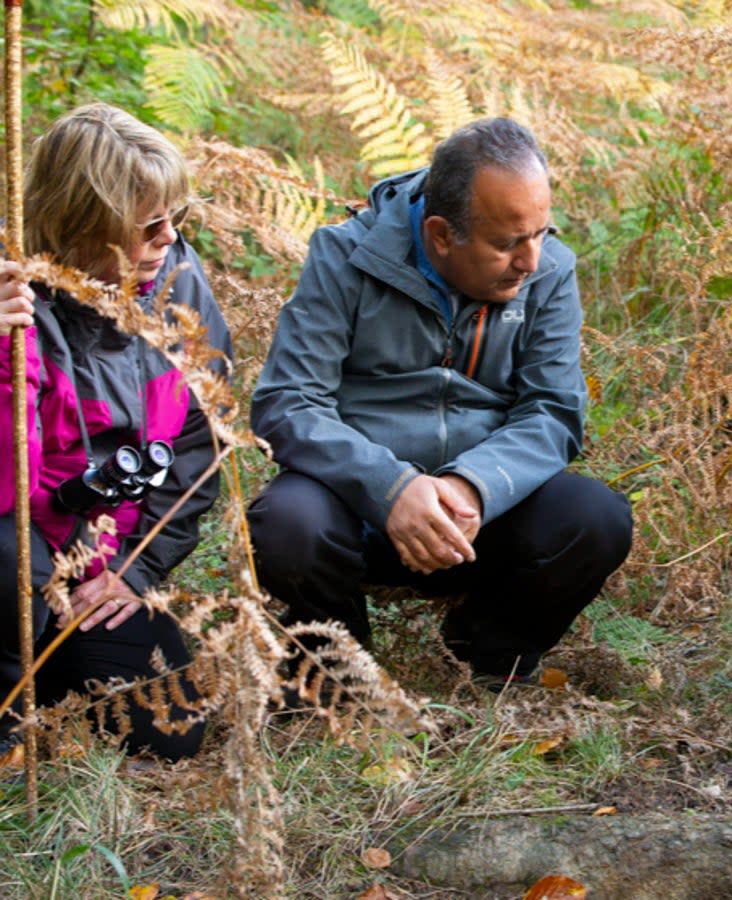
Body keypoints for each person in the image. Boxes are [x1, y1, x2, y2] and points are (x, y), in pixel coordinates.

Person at [248, 117, 632, 688]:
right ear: (440, 235)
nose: (531, 261)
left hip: (479, 519)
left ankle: (485, 653)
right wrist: (390, 488)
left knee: (595, 520)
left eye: (541, 234)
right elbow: (288, 401)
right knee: (286, 525)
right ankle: (337, 667)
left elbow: (552, 412)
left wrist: (470, 486)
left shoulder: (547, 271)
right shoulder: (344, 258)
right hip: (358, 509)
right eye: (507, 243)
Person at [0, 103, 232, 763]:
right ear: (79, 227)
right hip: (16, 558)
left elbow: (197, 446)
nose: (168, 238)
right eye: (148, 225)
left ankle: (44, 670)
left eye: (175, 219)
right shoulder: (9, 291)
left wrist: (134, 569)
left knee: (171, 725)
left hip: (99, 565)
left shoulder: (176, 284)